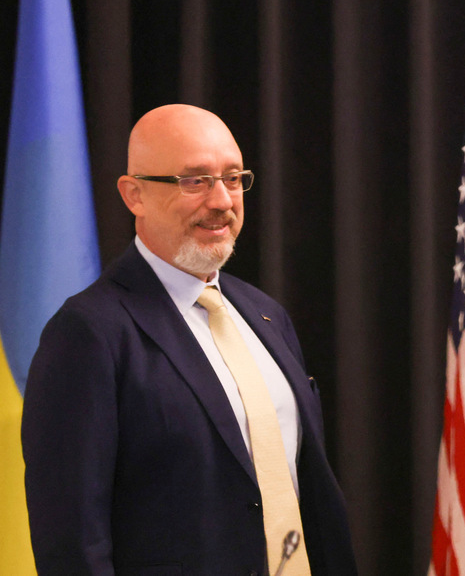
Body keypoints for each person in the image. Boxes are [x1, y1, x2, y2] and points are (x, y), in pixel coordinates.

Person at [22, 104, 357, 574]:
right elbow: (72, 540)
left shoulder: (266, 315)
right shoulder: (88, 332)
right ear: (134, 194)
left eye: (234, 178)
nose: (222, 200)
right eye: (194, 181)